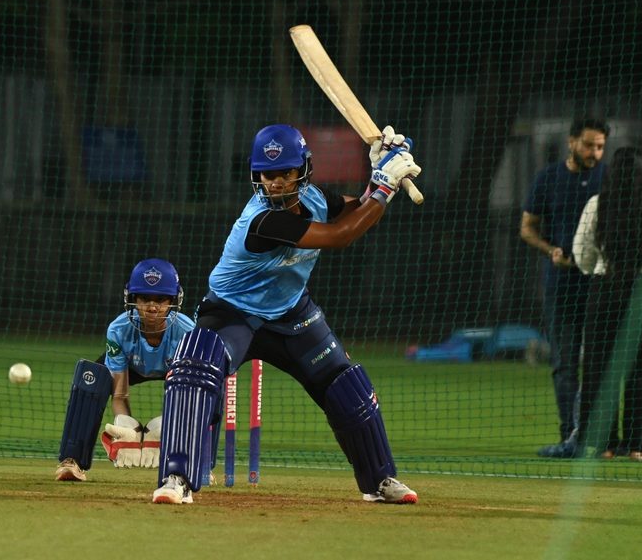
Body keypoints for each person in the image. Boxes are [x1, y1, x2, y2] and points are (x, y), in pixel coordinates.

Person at [151, 123, 421, 505]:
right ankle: (177, 477)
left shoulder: (315, 199)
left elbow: (356, 208)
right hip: (233, 313)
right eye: (267, 173)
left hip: (292, 314)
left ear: (303, 171)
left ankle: (379, 481)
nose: (275, 182)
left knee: (346, 384)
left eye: (285, 173)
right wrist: (386, 186)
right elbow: (341, 236)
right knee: (196, 368)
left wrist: (378, 170)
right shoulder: (263, 221)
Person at [572, 147, 642, 461]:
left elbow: (582, 254)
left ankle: (603, 444)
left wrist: (601, 269)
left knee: (599, 368)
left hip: (606, 291)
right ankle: (638, 446)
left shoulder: (598, 205)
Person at [54, 258, 195, 481]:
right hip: (133, 367)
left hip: (173, 372)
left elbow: (185, 396)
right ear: (132, 299)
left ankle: (199, 466)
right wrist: (128, 429)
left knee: (204, 389)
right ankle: (72, 460)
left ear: (173, 301)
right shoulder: (118, 330)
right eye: (144, 299)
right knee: (89, 380)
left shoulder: (187, 332)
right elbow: (120, 394)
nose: (152, 307)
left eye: (161, 299)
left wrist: (167, 424)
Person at [520, 116, 610, 457]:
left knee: (600, 362)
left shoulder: (608, 178)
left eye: (600, 146)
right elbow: (527, 228)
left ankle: (596, 436)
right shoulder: (549, 178)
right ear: (572, 142)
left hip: (599, 283)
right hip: (561, 284)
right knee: (565, 363)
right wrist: (550, 249)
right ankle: (569, 435)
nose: (595, 152)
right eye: (589, 145)